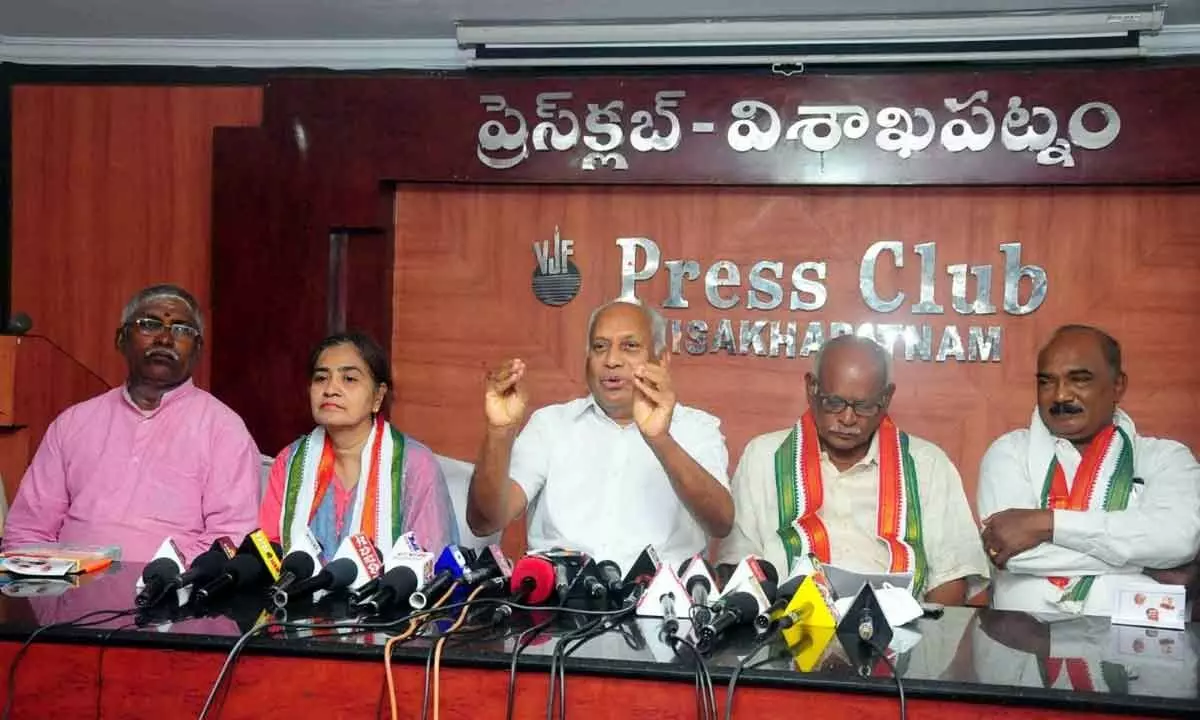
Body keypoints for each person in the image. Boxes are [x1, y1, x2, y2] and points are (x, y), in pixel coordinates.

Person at [717, 334, 988, 604]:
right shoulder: (764, 457)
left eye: (864, 406)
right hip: (787, 632)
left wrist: (928, 641)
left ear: (886, 398)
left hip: (902, 636)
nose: (847, 419)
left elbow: (952, 577)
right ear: (811, 389)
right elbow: (737, 566)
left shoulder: (927, 465)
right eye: (834, 402)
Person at [465, 299, 732, 573]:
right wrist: (499, 432)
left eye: (630, 346)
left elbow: (721, 523)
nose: (612, 361)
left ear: (661, 360)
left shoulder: (697, 428)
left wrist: (661, 439)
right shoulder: (550, 425)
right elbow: (484, 521)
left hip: (661, 605)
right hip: (559, 603)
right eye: (600, 347)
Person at [2, 284, 261, 562]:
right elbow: (27, 532)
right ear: (121, 339)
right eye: (149, 324)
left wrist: (167, 581)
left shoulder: (224, 430)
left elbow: (230, 538)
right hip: (68, 593)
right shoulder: (73, 423)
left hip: (172, 597)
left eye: (182, 330)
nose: (164, 338)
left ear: (197, 350)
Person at [978, 325, 1200, 616]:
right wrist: (1145, 562)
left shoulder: (1166, 458)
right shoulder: (1009, 452)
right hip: (1024, 647)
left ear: (1118, 385)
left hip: (1138, 649)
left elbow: (1177, 540)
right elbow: (1013, 553)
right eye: (1046, 382)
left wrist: (1048, 524)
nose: (1060, 396)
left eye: (1079, 380)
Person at [259, 332, 457, 555]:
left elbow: (429, 563)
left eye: (349, 379)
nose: (330, 389)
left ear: (378, 397)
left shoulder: (413, 465)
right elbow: (269, 553)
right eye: (321, 378)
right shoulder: (291, 462)